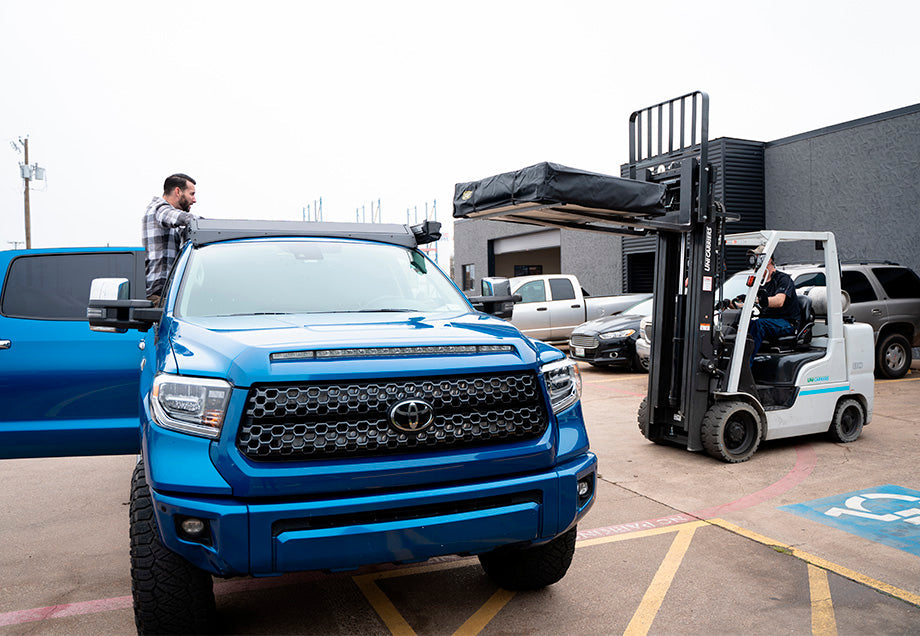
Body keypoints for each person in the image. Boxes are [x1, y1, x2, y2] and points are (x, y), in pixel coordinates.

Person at [733, 248, 800, 362]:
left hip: (786, 322)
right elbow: (747, 304)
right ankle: (732, 361)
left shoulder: (783, 279)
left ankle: (745, 364)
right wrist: (730, 304)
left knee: (758, 325)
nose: (753, 261)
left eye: (757, 258)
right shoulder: (760, 282)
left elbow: (779, 301)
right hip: (768, 322)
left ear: (768, 260)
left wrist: (758, 300)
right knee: (741, 324)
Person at [143, 173, 198, 302]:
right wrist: (212, 225)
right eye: (192, 194)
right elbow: (185, 218)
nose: (194, 200)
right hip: (158, 297)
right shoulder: (159, 209)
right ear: (178, 191)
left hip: (170, 296)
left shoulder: (170, 220)